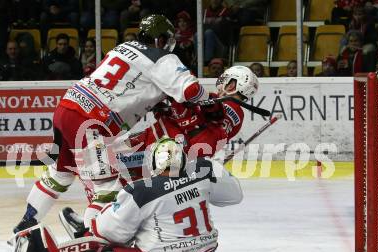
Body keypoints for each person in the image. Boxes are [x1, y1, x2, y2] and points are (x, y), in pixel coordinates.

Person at [12, 14, 210, 233]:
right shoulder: (163, 59)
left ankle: (25, 223)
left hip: (67, 106)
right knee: (107, 188)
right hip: (91, 121)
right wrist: (209, 99)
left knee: (61, 172)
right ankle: (90, 236)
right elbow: (191, 91)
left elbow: (129, 87)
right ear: (160, 38)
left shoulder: (123, 47)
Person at [8, 137, 243, 252]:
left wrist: (98, 223)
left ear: (152, 163)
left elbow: (110, 234)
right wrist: (213, 170)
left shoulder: (141, 190)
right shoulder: (203, 170)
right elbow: (234, 195)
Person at [60, 65, 258, 238]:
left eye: (227, 80)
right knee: (109, 170)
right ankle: (101, 225)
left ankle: (92, 229)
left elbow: (199, 125)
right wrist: (170, 108)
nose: (222, 83)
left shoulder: (233, 108)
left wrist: (180, 103)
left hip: (162, 148)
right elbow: (194, 120)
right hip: (158, 143)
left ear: (234, 84)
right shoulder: (227, 107)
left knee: (103, 168)